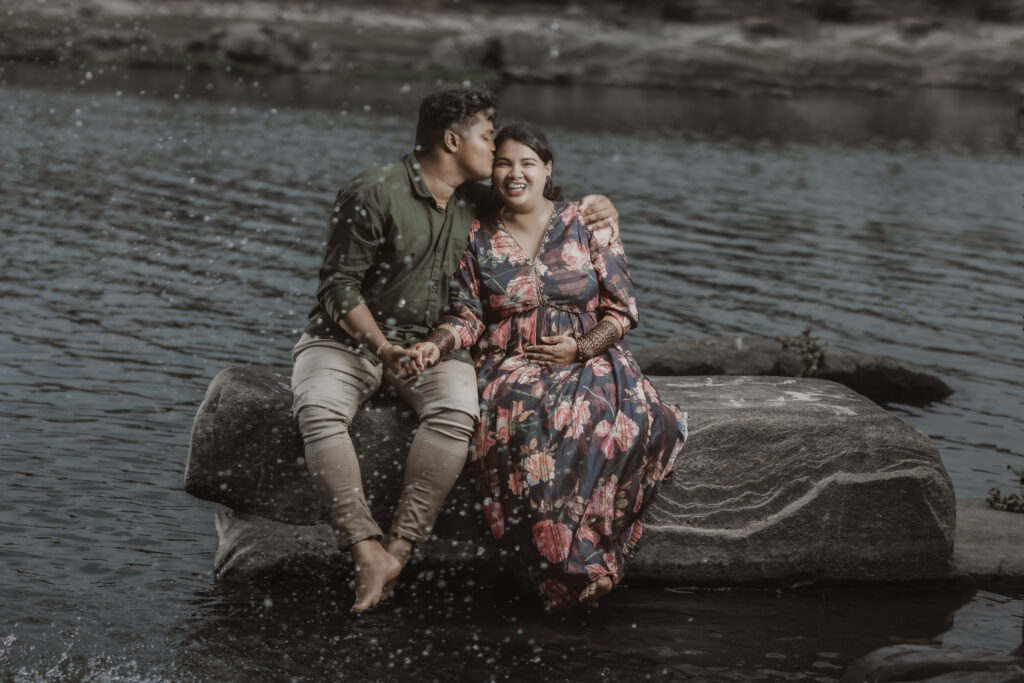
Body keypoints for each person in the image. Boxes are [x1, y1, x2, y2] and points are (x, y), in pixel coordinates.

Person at [290, 88, 619, 612]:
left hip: (435, 345)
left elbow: (546, 204)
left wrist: (601, 206)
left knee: (458, 412)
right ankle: (362, 547)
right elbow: (337, 288)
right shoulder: (373, 192)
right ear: (452, 140)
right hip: (347, 340)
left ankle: (399, 547)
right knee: (318, 410)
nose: (496, 152)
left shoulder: (476, 198)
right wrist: (380, 346)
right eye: (489, 138)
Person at [411, 123, 687, 608]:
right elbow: (467, 314)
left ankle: (593, 559)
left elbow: (623, 311)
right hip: (510, 361)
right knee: (528, 428)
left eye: (527, 164)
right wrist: (438, 342)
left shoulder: (587, 222)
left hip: (592, 354)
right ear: (491, 171)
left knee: (624, 417)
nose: (515, 174)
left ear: (547, 170)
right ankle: (561, 574)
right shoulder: (475, 235)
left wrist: (581, 348)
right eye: (503, 163)